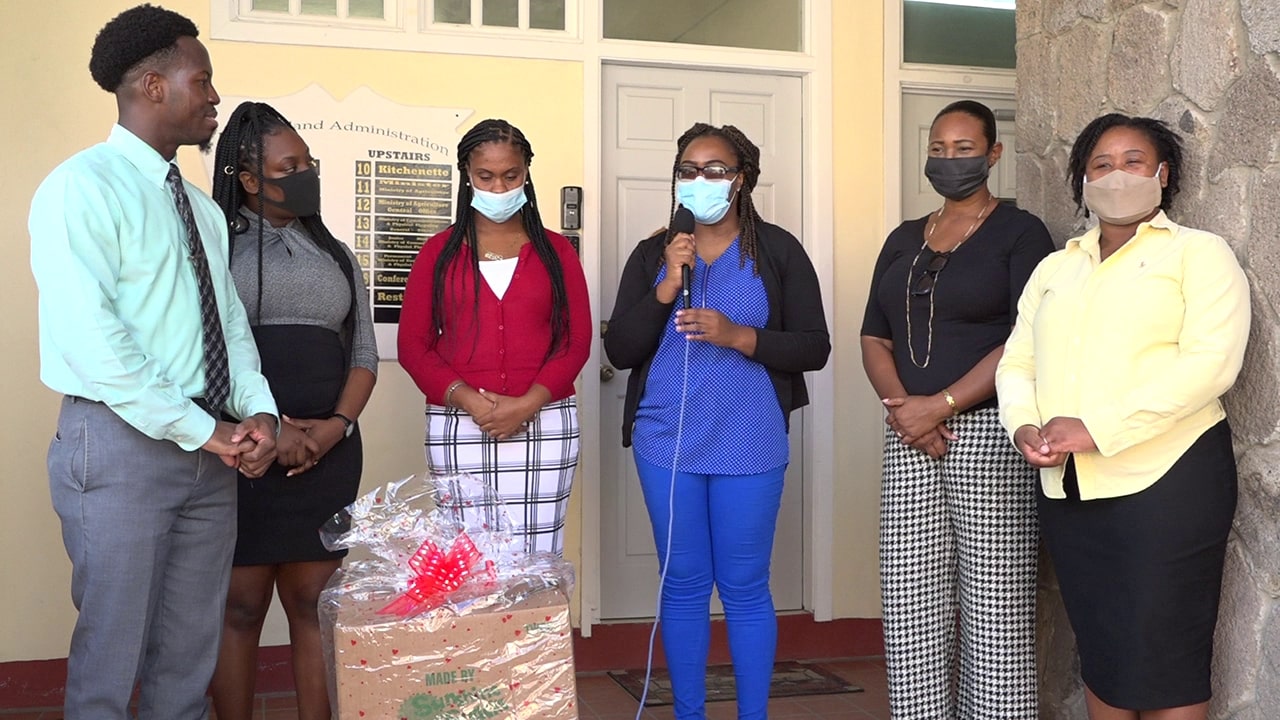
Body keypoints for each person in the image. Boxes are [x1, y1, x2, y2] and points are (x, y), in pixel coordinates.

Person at [27, 6, 279, 719]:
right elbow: (95, 342)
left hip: (211, 449)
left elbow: (228, 325)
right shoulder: (83, 188)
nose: (214, 97)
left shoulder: (198, 208)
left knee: (188, 655)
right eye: (202, 80)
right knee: (112, 653)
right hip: (118, 445)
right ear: (152, 86)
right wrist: (202, 432)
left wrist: (257, 410)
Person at [997, 113, 1249, 720]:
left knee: (1168, 655)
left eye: (1134, 162)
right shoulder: (1056, 269)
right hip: (1070, 488)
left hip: (1171, 482)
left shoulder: (1199, 255)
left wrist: (1097, 427)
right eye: (1101, 164)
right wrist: (1025, 426)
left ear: (1164, 175)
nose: (1116, 176)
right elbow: (1017, 363)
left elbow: (1211, 365)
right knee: (1103, 646)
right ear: (1082, 179)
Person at [604, 122, 830, 720]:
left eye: (714, 169)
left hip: (750, 442)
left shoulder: (777, 251)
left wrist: (740, 336)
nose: (698, 181)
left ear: (742, 179)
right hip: (666, 442)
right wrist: (666, 288)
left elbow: (815, 346)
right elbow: (620, 350)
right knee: (681, 584)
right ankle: (689, 714)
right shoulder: (656, 253)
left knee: (744, 587)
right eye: (687, 169)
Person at [860, 100, 1053, 719]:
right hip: (911, 437)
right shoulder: (902, 237)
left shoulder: (1021, 233)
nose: (949, 160)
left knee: (995, 607)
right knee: (910, 602)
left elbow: (1028, 336)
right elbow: (874, 335)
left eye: (964, 149)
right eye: (938, 149)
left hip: (992, 434)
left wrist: (941, 403)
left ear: (994, 154)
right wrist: (905, 411)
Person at [206, 102, 378, 720]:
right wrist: (269, 433)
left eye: (308, 162)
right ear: (249, 179)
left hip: (325, 455)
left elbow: (363, 353)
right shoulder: (214, 246)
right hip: (243, 452)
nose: (306, 173)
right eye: (291, 165)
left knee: (313, 604)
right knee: (240, 606)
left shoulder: (334, 254)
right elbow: (204, 351)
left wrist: (333, 429)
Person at [398, 119, 591, 556]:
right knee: (467, 560)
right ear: (467, 174)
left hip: (545, 420)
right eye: (486, 176)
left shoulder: (557, 251)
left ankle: (536, 628)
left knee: (537, 557)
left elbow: (575, 341)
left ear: (526, 174)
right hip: (460, 421)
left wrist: (526, 404)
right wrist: (469, 399)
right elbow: (413, 345)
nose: (499, 187)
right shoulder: (439, 252)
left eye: (511, 175)